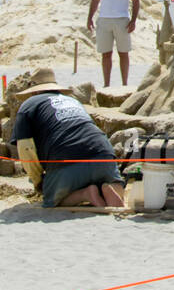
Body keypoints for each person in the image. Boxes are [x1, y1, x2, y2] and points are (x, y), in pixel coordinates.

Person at [10, 68, 125, 209]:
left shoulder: (29, 104)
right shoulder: (72, 101)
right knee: (114, 183)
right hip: (103, 155)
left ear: (33, 91)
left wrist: (38, 180)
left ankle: (86, 194)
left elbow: (25, 148)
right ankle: (109, 188)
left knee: (53, 201)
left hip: (66, 161)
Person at [86, 0, 140, 86]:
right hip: (104, 19)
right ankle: (106, 84)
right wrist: (90, 17)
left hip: (122, 19)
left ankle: (124, 83)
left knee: (123, 53)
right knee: (105, 53)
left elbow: (136, 0)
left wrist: (133, 20)